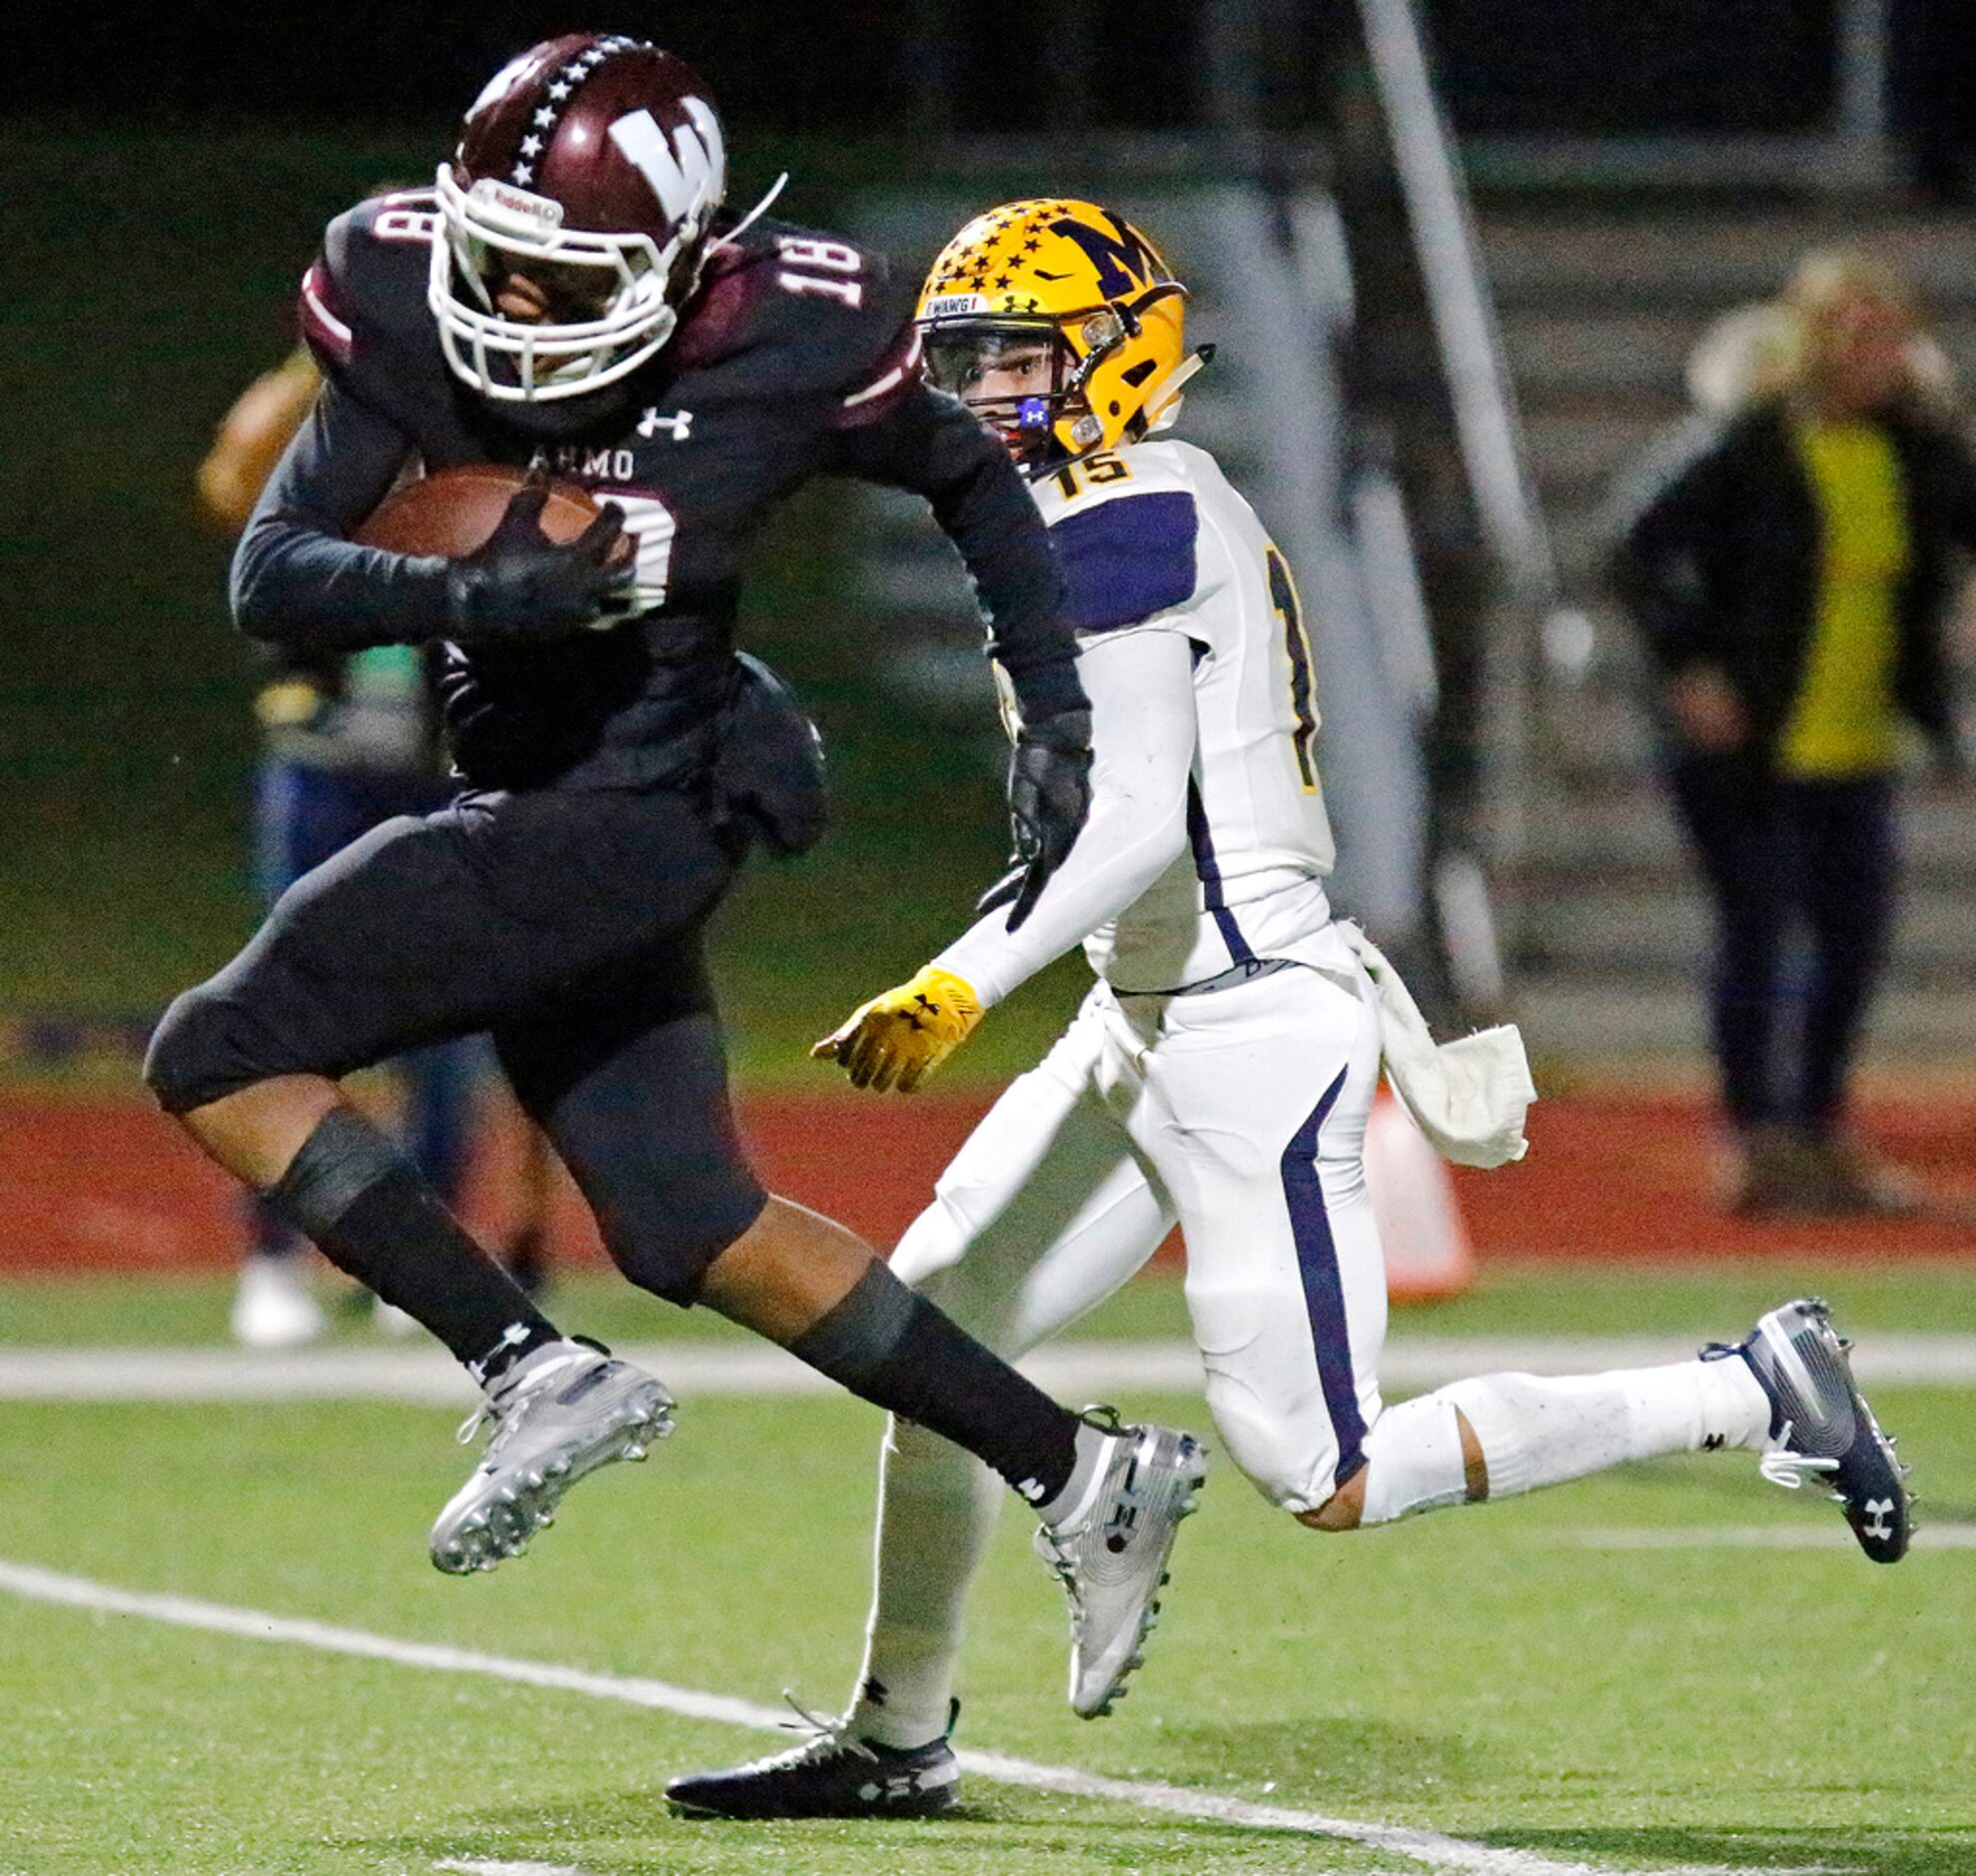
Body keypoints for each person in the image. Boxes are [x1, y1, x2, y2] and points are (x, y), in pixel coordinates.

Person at [664, 201, 1917, 1821]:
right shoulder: (1085, 499)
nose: (986, 396)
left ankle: (1750, 1383)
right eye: (966, 363)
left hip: (1246, 1030)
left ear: (1118, 357)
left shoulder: (1120, 511)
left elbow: (1127, 824)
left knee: (1324, 1469)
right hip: (1149, 1015)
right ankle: (898, 1730)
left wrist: (961, 977)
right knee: (930, 1344)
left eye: (1020, 361)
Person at [141, 36, 1205, 1719]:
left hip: (628, 810)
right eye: (496, 258)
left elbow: (968, 468)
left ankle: (519, 1360)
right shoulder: (396, 287)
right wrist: (486, 606)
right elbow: (275, 574)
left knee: (214, 1050)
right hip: (565, 787)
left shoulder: (790, 324)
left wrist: (1051, 699)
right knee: (692, 1225)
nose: (508, 301)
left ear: (683, 262)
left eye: (559, 274)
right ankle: (1079, 1466)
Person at [200, 344, 547, 1348]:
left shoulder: (472, 441)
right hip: (321, 766)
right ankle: (274, 1257)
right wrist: (323, 363)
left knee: (445, 1027)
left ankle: (417, 1263)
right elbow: (230, 482)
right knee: (292, 1013)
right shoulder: (322, 445)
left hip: (443, 767)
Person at [1614, 248, 1974, 1216]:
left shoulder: (1916, 449)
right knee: (1758, 932)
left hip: (1856, 739)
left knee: (1852, 939)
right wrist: (1688, 665)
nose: (1875, 352)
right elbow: (1636, 546)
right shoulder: (1746, 440)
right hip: (1752, 741)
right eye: (1853, 329)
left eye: (1888, 332)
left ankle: (1818, 1128)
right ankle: (1753, 1138)